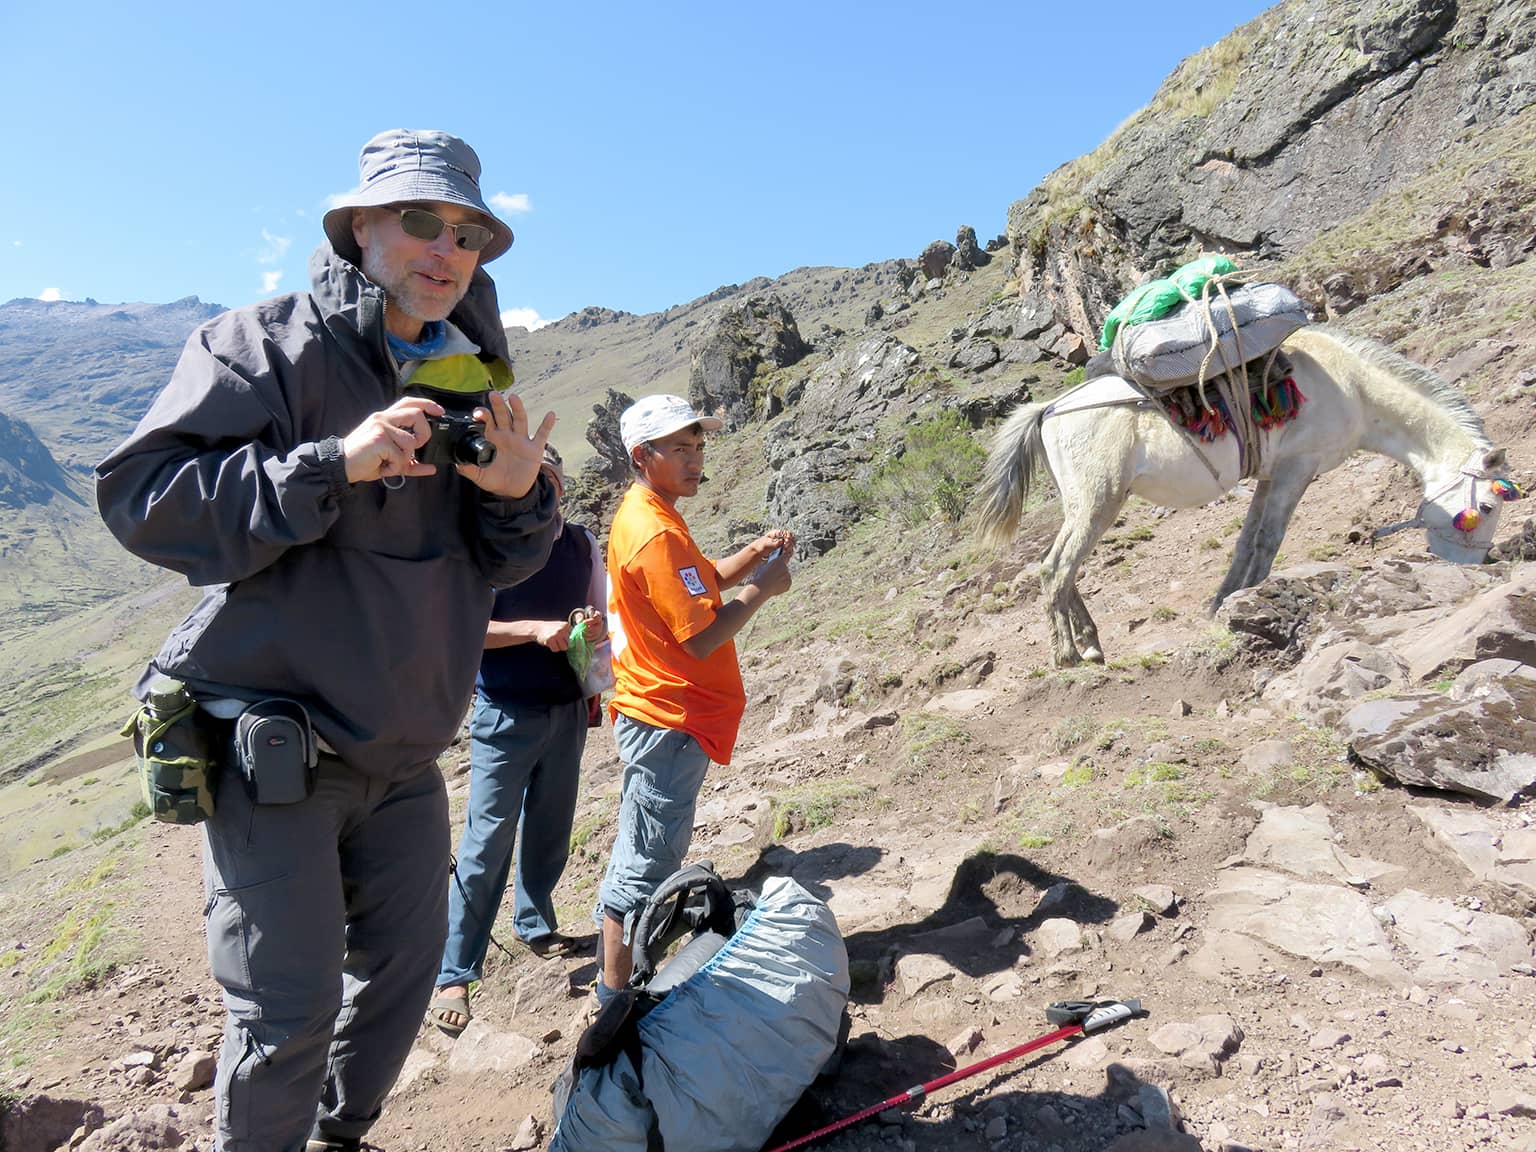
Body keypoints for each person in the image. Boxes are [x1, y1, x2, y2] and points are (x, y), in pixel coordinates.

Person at [95, 129, 558, 1152]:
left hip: (406, 752)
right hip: (278, 747)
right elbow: (143, 501)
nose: (447, 249)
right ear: (359, 227)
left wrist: (520, 495)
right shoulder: (262, 347)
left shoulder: (473, 377)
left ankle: (339, 1138)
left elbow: (507, 560)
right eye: (422, 221)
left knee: (405, 975)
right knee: (288, 1009)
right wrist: (326, 467)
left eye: (469, 234)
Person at [596, 394, 795, 998]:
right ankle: (615, 999)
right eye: (679, 448)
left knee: (642, 845)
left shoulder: (651, 513)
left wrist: (750, 557)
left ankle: (619, 982)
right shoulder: (654, 532)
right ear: (642, 455)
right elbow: (703, 636)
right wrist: (763, 588)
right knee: (647, 862)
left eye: (699, 445)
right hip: (668, 716)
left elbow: (697, 580)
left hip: (661, 711)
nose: (695, 459)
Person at [430, 443, 606, 1037]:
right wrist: (531, 629)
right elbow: (461, 628)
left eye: (546, 480)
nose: (539, 492)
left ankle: (535, 923)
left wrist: (588, 628)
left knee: (551, 827)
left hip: (566, 709)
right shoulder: (483, 549)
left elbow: (597, 614)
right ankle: (455, 973)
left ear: (560, 486)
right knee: (485, 843)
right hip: (504, 716)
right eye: (528, 480)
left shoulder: (581, 543)